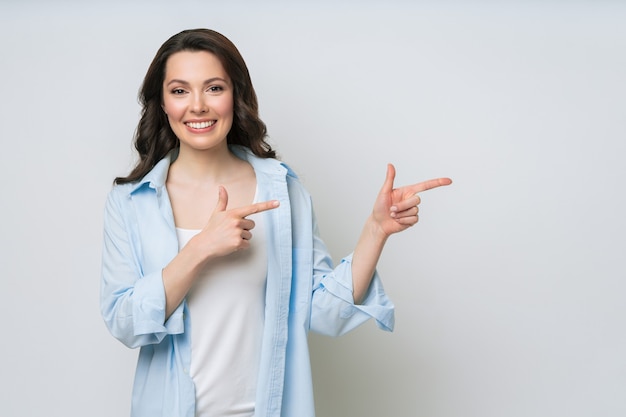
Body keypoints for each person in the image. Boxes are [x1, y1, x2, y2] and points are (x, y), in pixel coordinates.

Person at [100, 28, 451, 417]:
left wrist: (376, 231)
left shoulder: (281, 190)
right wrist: (201, 248)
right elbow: (124, 322)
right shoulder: (131, 203)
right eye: (180, 91)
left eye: (214, 88)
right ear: (163, 103)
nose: (197, 105)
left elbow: (320, 312)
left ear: (236, 95)